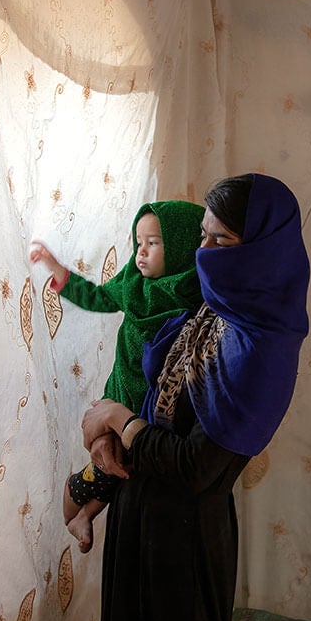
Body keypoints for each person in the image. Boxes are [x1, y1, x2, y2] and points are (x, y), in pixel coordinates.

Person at [80, 173, 311, 621]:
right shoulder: (215, 309)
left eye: (221, 242)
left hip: (183, 534)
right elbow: (161, 398)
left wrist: (115, 417)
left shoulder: (260, 347)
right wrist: (112, 435)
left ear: (262, 248)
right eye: (201, 238)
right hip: (144, 515)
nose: (203, 254)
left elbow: (196, 467)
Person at [29, 199, 205, 553]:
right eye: (138, 243)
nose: (141, 253)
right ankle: (82, 505)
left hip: (158, 401)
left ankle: (85, 514)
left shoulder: (197, 291)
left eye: (153, 243)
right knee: (112, 457)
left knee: (128, 464)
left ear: (183, 244)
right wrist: (56, 268)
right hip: (124, 387)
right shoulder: (132, 282)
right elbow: (97, 297)